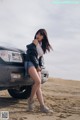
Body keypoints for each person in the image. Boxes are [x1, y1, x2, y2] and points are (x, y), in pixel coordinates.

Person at [25, 29, 53, 113]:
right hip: (30, 63)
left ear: (44, 37)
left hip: (37, 65)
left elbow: (40, 57)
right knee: (37, 81)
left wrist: (39, 66)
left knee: (38, 86)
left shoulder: (42, 45)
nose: (38, 35)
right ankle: (30, 100)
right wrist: (37, 66)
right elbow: (32, 56)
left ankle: (42, 106)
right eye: (37, 34)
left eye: (40, 34)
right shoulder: (33, 43)